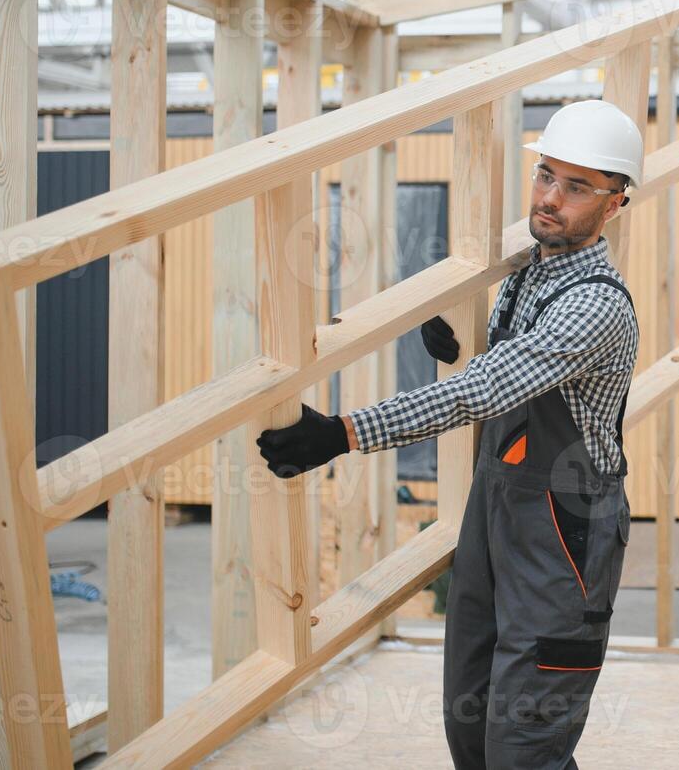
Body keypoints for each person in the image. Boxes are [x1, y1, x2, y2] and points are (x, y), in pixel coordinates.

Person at [257, 98, 644, 769]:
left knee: (525, 745)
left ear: (614, 204)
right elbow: (499, 369)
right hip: (496, 513)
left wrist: (345, 433)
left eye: (577, 187)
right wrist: (460, 337)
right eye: (545, 175)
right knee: (469, 721)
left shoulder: (595, 304)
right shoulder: (527, 271)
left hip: (564, 536)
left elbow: (487, 390)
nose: (550, 198)